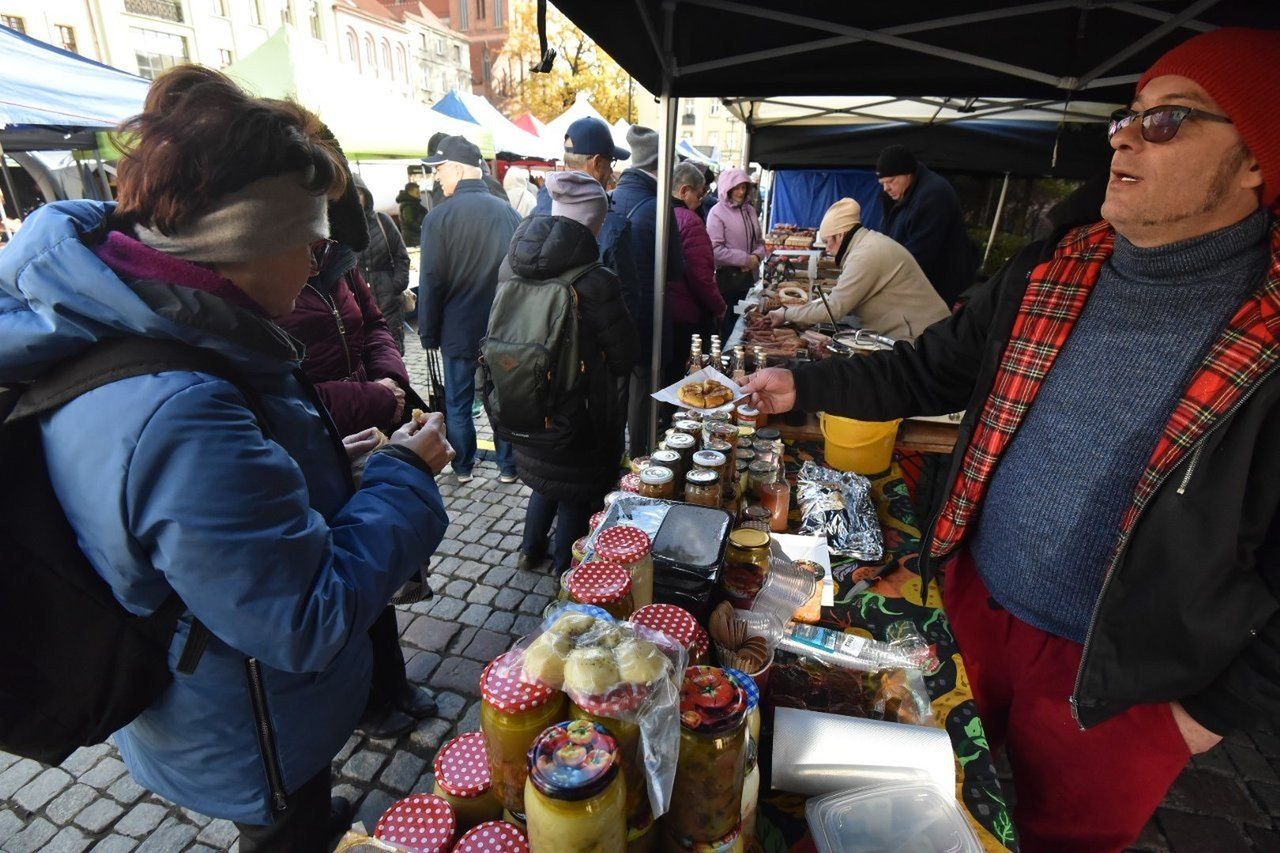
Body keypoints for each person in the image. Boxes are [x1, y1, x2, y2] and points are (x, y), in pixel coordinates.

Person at [743, 28, 1280, 850]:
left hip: (1119, 686)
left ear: (1254, 160)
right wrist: (803, 384)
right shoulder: (1053, 267)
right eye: (1126, 117)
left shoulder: (1268, 339)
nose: (1125, 138)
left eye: (1167, 120)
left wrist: (1208, 712)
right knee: (907, 804)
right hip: (974, 608)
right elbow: (929, 370)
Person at [0, 66, 452, 849]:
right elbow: (303, 616)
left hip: (231, 694)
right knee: (286, 829)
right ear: (243, 242)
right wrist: (403, 475)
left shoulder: (157, 326)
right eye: (306, 241)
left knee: (302, 809)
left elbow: (209, 519)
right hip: (246, 715)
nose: (317, 261)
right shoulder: (183, 406)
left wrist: (319, 470)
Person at [505, 171, 638, 573]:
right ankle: (567, 572)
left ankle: (530, 550)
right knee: (576, 495)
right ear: (593, 223)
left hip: (525, 402)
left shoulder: (513, 265)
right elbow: (624, 355)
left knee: (545, 481)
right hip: (581, 415)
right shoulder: (596, 281)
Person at [419, 134, 521, 484]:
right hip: (501, 328)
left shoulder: (439, 218)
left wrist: (428, 332)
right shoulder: (508, 213)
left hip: (458, 329)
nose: (436, 176)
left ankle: (463, 465)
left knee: (458, 403)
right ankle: (508, 466)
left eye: (440, 169)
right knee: (502, 400)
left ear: (459, 170)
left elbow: (431, 280)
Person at [764, 198, 949, 341]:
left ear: (841, 234)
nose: (827, 249)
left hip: (923, 337)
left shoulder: (866, 253)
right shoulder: (867, 244)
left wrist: (786, 314)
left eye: (828, 242)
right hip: (917, 333)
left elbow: (833, 308)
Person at [612, 125, 686, 457]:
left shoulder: (610, 197)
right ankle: (639, 459)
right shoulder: (659, 207)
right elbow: (676, 269)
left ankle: (613, 455)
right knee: (643, 389)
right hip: (647, 316)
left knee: (618, 388)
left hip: (612, 314)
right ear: (662, 164)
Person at [876, 144, 978, 306]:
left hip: (937, 288)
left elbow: (919, 255)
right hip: (914, 283)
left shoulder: (934, 195)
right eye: (882, 183)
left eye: (891, 181)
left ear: (908, 174)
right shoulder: (897, 195)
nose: (886, 188)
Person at [669, 161, 726, 381]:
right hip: (685, 314)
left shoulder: (658, 211)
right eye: (699, 195)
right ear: (684, 191)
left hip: (665, 310)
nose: (701, 201)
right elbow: (700, 276)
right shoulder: (690, 221)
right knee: (683, 375)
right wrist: (719, 306)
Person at [706, 166, 765, 340]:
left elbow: (760, 242)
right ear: (727, 188)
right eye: (737, 188)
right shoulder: (716, 213)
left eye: (744, 187)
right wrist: (746, 260)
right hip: (728, 282)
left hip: (749, 280)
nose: (741, 192)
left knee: (746, 324)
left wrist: (757, 256)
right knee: (729, 326)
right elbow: (715, 250)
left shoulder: (750, 210)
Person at [355, 176, 412, 353]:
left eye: (358, 193)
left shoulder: (382, 221)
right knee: (367, 354)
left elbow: (401, 256)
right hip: (358, 303)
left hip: (389, 300)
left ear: (366, 195)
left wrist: (397, 285)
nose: (355, 198)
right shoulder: (341, 229)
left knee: (393, 351)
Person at [396, 180, 427, 247]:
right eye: (417, 192)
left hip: (414, 236)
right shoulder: (408, 205)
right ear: (410, 192)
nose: (419, 194)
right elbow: (409, 221)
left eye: (419, 192)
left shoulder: (413, 203)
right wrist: (421, 228)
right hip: (412, 238)